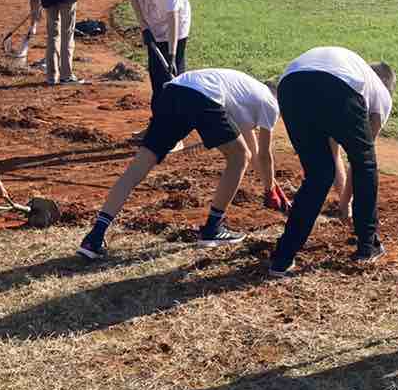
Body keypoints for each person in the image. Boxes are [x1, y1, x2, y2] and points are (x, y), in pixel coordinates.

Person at [77, 67, 287, 259]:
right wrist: (269, 191)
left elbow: (254, 151)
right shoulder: (270, 103)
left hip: (173, 92)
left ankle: (94, 236)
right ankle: (213, 228)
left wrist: (273, 186)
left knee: (139, 165)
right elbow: (264, 155)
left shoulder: (246, 92)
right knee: (239, 157)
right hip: (202, 95)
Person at [269, 46, 395, 277]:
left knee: (318, 175)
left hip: (290, 86)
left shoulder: (355, 72)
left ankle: (282, 258)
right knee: (366, 164)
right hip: (335, 86)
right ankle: (368, 244)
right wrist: (345, 203)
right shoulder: (381, 96)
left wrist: (344, 203)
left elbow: (334, 152)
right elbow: (359, 161)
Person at [120, 0, 192, 109]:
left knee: (175, 80)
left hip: (176, 24)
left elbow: (172, 15)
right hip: (152, 22)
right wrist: (144, 28)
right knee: (156, 77)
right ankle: (157, 126)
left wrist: (173, 55)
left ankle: (177, 130)